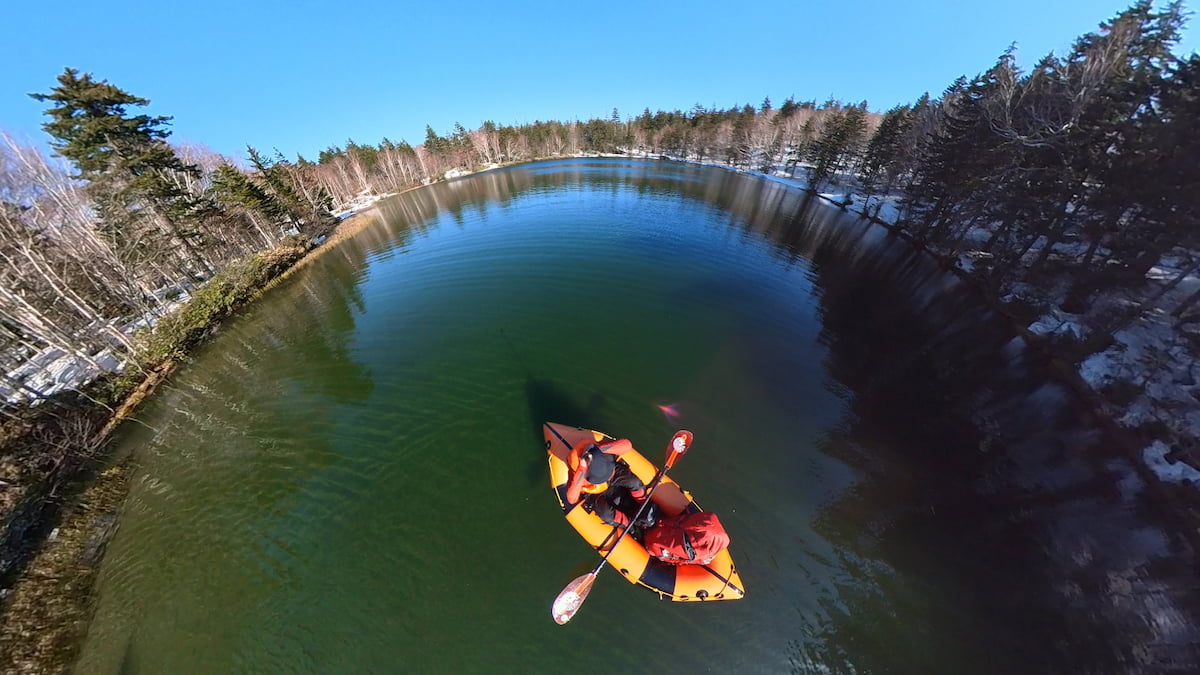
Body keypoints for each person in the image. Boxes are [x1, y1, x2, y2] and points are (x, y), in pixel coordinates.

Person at [565, 438, 660, 533]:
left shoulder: (599, 451)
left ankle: (643, 502)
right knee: (605, 513)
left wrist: (600, 450)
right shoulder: (577, 471)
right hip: (595, 492)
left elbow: (627, 445)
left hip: (610, 471)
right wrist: (582, 469)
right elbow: (572, 499)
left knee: (633, 482)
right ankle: (631, 527)